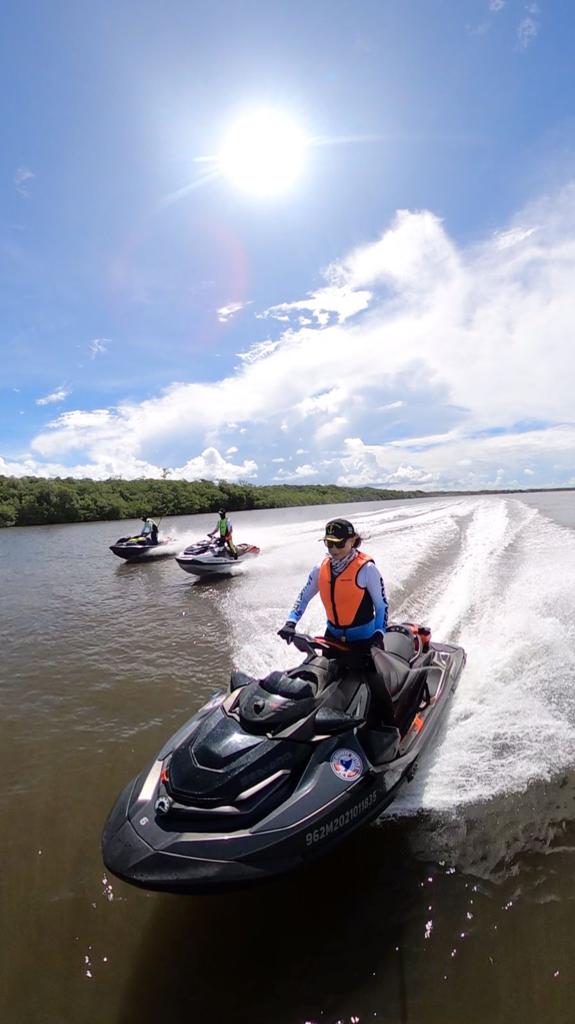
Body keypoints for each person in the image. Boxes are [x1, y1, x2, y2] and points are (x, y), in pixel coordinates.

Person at [277, 518, 394, 726]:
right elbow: (303, 597)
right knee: (325, 684)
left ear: (353, 540)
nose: (333, 549)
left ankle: (390, 728)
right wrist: (291, 622)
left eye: (339, 543)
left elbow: (382, 605)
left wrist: (378, 635)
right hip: (332, 639)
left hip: (365, 641)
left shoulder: (367, 570)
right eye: (329, 543)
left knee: (376, 687)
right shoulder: (319, 569)